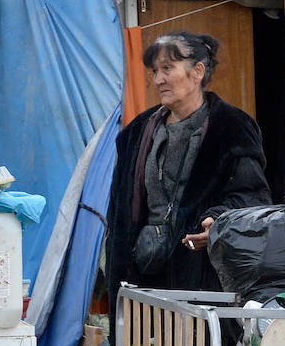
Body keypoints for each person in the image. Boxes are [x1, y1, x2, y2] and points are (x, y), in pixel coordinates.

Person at [104, 30, 271, 318]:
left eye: (167, 69)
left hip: (203, 277)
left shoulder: (231, 128)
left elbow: (253, 196)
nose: (158, 80)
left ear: (197, 71)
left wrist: (219, 219)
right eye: (155, 71)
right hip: (143, 277)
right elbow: (118, 209)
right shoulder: (135, 133)